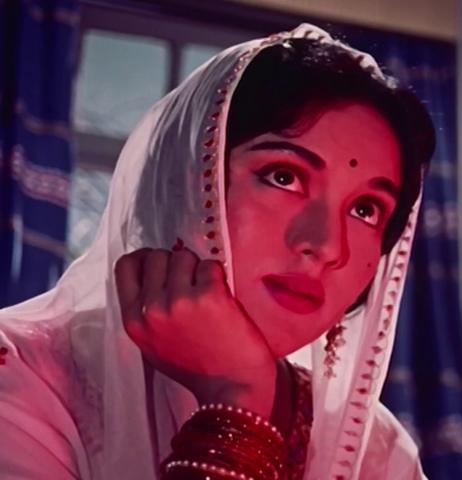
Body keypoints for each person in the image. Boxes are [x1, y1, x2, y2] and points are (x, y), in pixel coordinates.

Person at [0, 23, 435, 479]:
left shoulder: (377, 451)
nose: (327, 246)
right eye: (283, 177)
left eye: (366, 210)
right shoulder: (24, 374)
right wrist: (237, 399)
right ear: (182, 185)